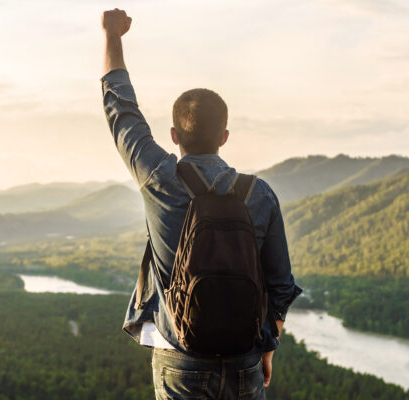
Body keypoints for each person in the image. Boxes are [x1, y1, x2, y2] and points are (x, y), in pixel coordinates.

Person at [100, 9, 302, 400]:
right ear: (224, 137)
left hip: (180, 359)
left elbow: (121, 111)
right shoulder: (260, 194)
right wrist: (267, 347)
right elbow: (280, 287)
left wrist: (112, 36)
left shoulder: (159, 178)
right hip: (245, 360)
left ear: (174, 134)